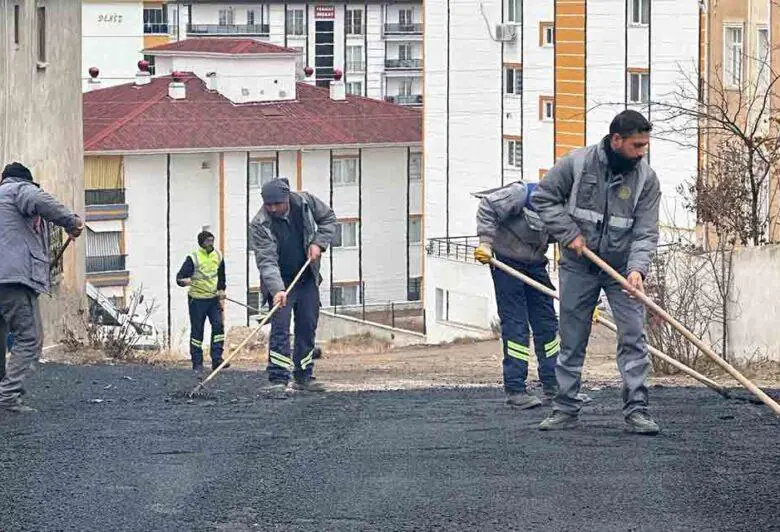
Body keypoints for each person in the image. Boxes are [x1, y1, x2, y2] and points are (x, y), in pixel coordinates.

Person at [532, 110, 661, 434]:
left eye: (645, 145)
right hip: (579, 265)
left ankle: (637, 410)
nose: (642, 152)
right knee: (572, 338)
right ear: (616, 140)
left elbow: (646, 232)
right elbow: (544, 198)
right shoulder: (577, 164)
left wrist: (637, 271)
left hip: (620, 270)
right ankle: (565, 408)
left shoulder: (646, 179)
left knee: (633, 336)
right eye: (637, 145)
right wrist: (568, 233)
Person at [474, 181, 590, 409]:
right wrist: (485, 243)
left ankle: (554, 385)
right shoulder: (522, 193)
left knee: (547, 325)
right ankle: (516, 389)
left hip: (535, 264)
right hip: (505, 261)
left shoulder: (565, 210)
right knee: (516, 325)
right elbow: (488, 206)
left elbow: (568, 242)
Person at [0, 162, 84, 413]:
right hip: (13, 279)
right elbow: (38, 200)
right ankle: (8, 396)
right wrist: (71, 221)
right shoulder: (19, 190)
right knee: (29, 338)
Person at [249, 178, 336, 393]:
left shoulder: (305, 203)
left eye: (277, 204)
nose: (273, 208)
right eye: (269, 205)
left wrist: (318, 243)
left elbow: (328, 219)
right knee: (280, 328)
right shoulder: (259, 224)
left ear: (286, 198)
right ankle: (278, 379)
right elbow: (266, 261)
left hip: (306, 277)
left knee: (307, 325)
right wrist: (277, 289)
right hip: (280, 282)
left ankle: (304, 376)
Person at [176, 231, 229, 377]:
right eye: (207, 241)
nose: (210, 244)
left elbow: (221, 275)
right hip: (197, 300)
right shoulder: (193, 258)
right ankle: (197, 363)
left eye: (212, 240)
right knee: (197, 330)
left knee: (218, 326)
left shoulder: (218, 255)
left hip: (213, 299)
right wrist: (184, 281)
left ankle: (217, 359)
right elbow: (179, 278)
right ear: (201, 243)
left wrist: (221, 290)